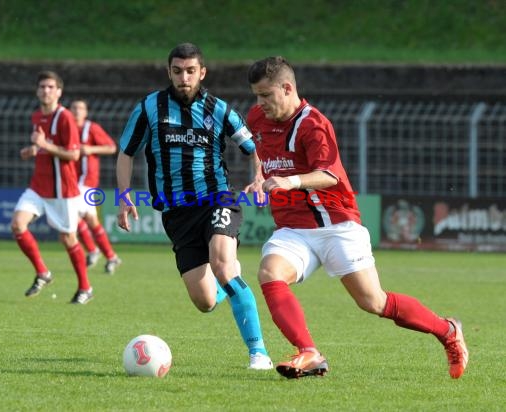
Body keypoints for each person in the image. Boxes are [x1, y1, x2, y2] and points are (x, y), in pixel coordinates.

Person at [244, 56, 468, 379]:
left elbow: (329, 175)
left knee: (374, 302)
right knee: (269, 273)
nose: (259, 103)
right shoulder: (257, 117)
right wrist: (258, 176)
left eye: (265, 95)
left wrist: (290, 181)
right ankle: (309, 352)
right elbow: (258, 148)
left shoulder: (313, 124)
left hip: (337, 225)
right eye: (256, 95)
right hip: (294, 228)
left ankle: (447, 331)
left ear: (288, 88)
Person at [116, 43, 272, 370]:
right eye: (177, 71)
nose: (183, 78)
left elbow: (252, 147)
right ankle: (228, 280)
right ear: (169, 72)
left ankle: (259, 353)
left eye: (190, 71)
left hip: (217, 197)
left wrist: (258, 177)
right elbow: (126, 152)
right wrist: (124, 195)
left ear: (202, 72)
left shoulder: (219, 109)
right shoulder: (149, 108)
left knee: (222, 264)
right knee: (205, 302)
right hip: (176, 213)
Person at [11, 70, 93, 304]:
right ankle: (43, 273)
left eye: (50, 87)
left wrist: (43, 144)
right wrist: (33, 150)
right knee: (18, 224)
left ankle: (85, 287)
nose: (46, 90)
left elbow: (74, 154)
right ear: (37, 91)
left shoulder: (65, 117)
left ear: (59, 91)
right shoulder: (37, 116)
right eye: (42, 87)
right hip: (39, 186)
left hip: (62, 190)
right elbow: (44, 147)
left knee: (68, 239)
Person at [70, 99, 122, 274]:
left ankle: (93, 251)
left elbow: (111, 147)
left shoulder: (91, 128)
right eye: (74, 108)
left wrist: (91, 150)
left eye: (81, 108)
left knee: (72, 215)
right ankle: (111, 256)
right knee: (90, 221)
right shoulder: (67, 128)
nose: (77, 111)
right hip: (71, 181)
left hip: (87, 182)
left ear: (86, 112)